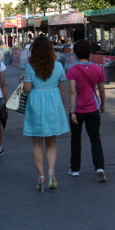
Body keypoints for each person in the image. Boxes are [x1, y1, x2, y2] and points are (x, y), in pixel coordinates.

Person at [23, 36, 71, 192]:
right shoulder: (58, 66)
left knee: (37, 143)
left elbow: (27, 89)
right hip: (53, 102)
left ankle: (41, 176)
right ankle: (51, 173)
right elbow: (62, 88)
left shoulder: (30, 66)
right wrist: (62, 105)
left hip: (35, 102)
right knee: (51, 143)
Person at [65, 38, 107, 183]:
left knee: (75, 140)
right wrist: (103, 104)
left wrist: (71, 110)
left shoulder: (72, 70)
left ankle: (75, 168)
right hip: (93, 108)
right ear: (90, 53)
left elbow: (72, 91)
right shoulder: (98, 69)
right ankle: (99, 167)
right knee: (95, 138)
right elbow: (101, 89)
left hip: (78, 109)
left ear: (76, 54)